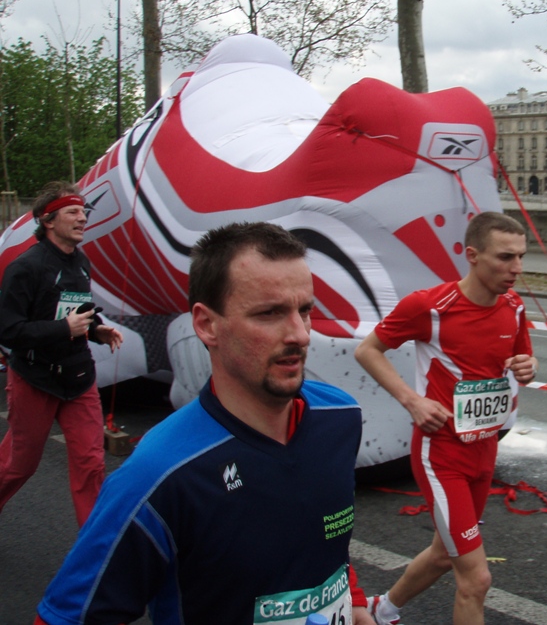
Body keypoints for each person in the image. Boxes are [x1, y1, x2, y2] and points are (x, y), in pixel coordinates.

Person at [35, 222, 373, 625]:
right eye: (270, 313)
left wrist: (352, 599)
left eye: (305, 310)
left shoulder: (342, 417)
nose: (300, 335)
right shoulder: (158, 475)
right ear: (207, 325)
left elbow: (324, 538)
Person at [354, 211, 537, 625]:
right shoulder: (431, 306)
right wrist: (411, 400)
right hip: (443, 456)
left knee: (443, 553)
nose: (517, 269)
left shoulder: (514, 306)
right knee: (476, 578)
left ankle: (382, 611)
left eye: (521, 257)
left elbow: (522, 358)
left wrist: (528, 366)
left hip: (484, 452)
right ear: (472, 255)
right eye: (505, 257)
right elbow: (368, 350)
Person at [0, 181, 123, 527]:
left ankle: (95, 549)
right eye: (73, 211)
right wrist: (63, 330)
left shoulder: (81, 262)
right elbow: (9, 331)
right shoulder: (25, 267)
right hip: (35, 378)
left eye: (84, 211)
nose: (82, 217)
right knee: (18, 465)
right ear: (48, 220)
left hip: (78, 377)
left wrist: (96, 330)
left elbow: (75, 311)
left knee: (92, 464)